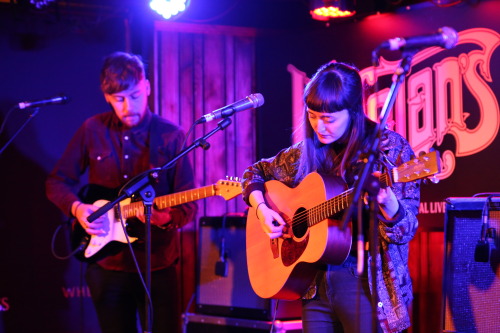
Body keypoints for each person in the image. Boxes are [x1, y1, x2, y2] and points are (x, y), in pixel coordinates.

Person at [241, 61, 420, 333]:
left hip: (367, 283)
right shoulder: (303, 153)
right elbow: (254, 173)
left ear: (353, 111)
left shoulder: (389, 149)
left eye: (328, 119)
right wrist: (263, 210)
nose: (318, 126)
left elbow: (406, 230)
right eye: (312, 116)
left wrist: (387, 201)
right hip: (314, 283)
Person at [46, 51, 197, 333]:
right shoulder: (92, 129)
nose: (129, 106)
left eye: (136, 95)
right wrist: (79, 209)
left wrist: (164, 219)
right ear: (106, 96)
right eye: (119, 99)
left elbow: (189, 205)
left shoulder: (171, 135)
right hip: (107, 266)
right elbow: (57, 182)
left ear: (148, 87)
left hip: (158, 266)